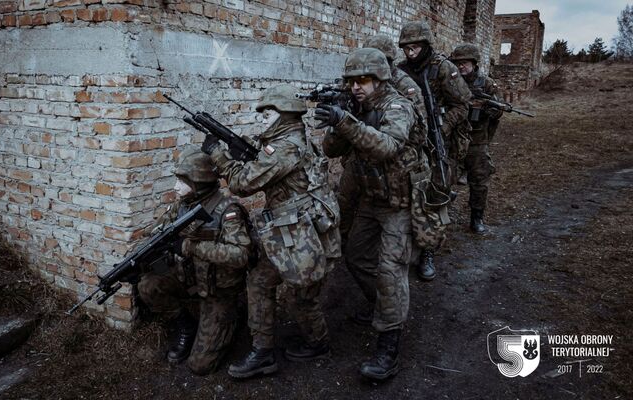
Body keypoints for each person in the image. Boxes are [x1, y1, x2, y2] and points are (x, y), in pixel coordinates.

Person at [205, 84, 341, 379]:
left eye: (267, 114)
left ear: (285, 115)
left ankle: (318, 343)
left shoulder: (286, 147)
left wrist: (218, 155)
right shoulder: (289, 139)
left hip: (301, 236)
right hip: (289, 231)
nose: (261, 119)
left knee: (302, 296)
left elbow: (242, 184)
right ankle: (263, 352)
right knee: (260, 280)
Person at [317, 48, 429, 380]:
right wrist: (340, 120)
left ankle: (388, 348)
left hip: (399, 203)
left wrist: (346, 121)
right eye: (351, 81)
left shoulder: (397, 106)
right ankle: (382, 305)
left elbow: (387, 147)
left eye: (363, 80)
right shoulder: (358, 107)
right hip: (371, 199)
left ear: (380, 80)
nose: (356, 87)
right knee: (355, 255)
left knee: (390, 270)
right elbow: (330, 149)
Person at [137, 146, 252, 375]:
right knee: (148, 285)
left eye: (182, 181)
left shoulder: (227, 210)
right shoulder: (182, 205)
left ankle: (233, 315)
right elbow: (156, 230)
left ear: (199, 182)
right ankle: (185, 326)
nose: (175, 187)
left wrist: (192, 246)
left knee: (200, 366)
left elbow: (241, 255)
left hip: (218, 288)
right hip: (189, 277)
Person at [397, 20, 472, 281]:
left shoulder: (443, 69)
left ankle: (428, 250)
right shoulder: (401, 71)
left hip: (438, 142)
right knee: (408, 194)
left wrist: (443, 128)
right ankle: (406, 244)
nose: (410, 52)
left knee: (435, 194)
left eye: (415, 47)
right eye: (406, 48)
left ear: (426, 45)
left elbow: (463, 105)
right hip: (410, 144)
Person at [337, 35, 427, 247]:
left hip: (394, 157)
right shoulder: (356, 87)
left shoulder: (402, 88)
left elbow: (409, 132)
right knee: (346, 198)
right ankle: (344, 241)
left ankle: (423, 251)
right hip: (363, 155)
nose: (356, 86)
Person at [450, 43, 503, 233]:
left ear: (474, 63)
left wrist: (487, 109)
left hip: (477, 140)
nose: (460, 67)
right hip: (453, 138)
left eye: (464, 63)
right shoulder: (451, 81)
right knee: (444, 176)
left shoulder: (487, 83)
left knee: (479, 180)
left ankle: (477, 217)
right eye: (457, 63)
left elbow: (499, 109)